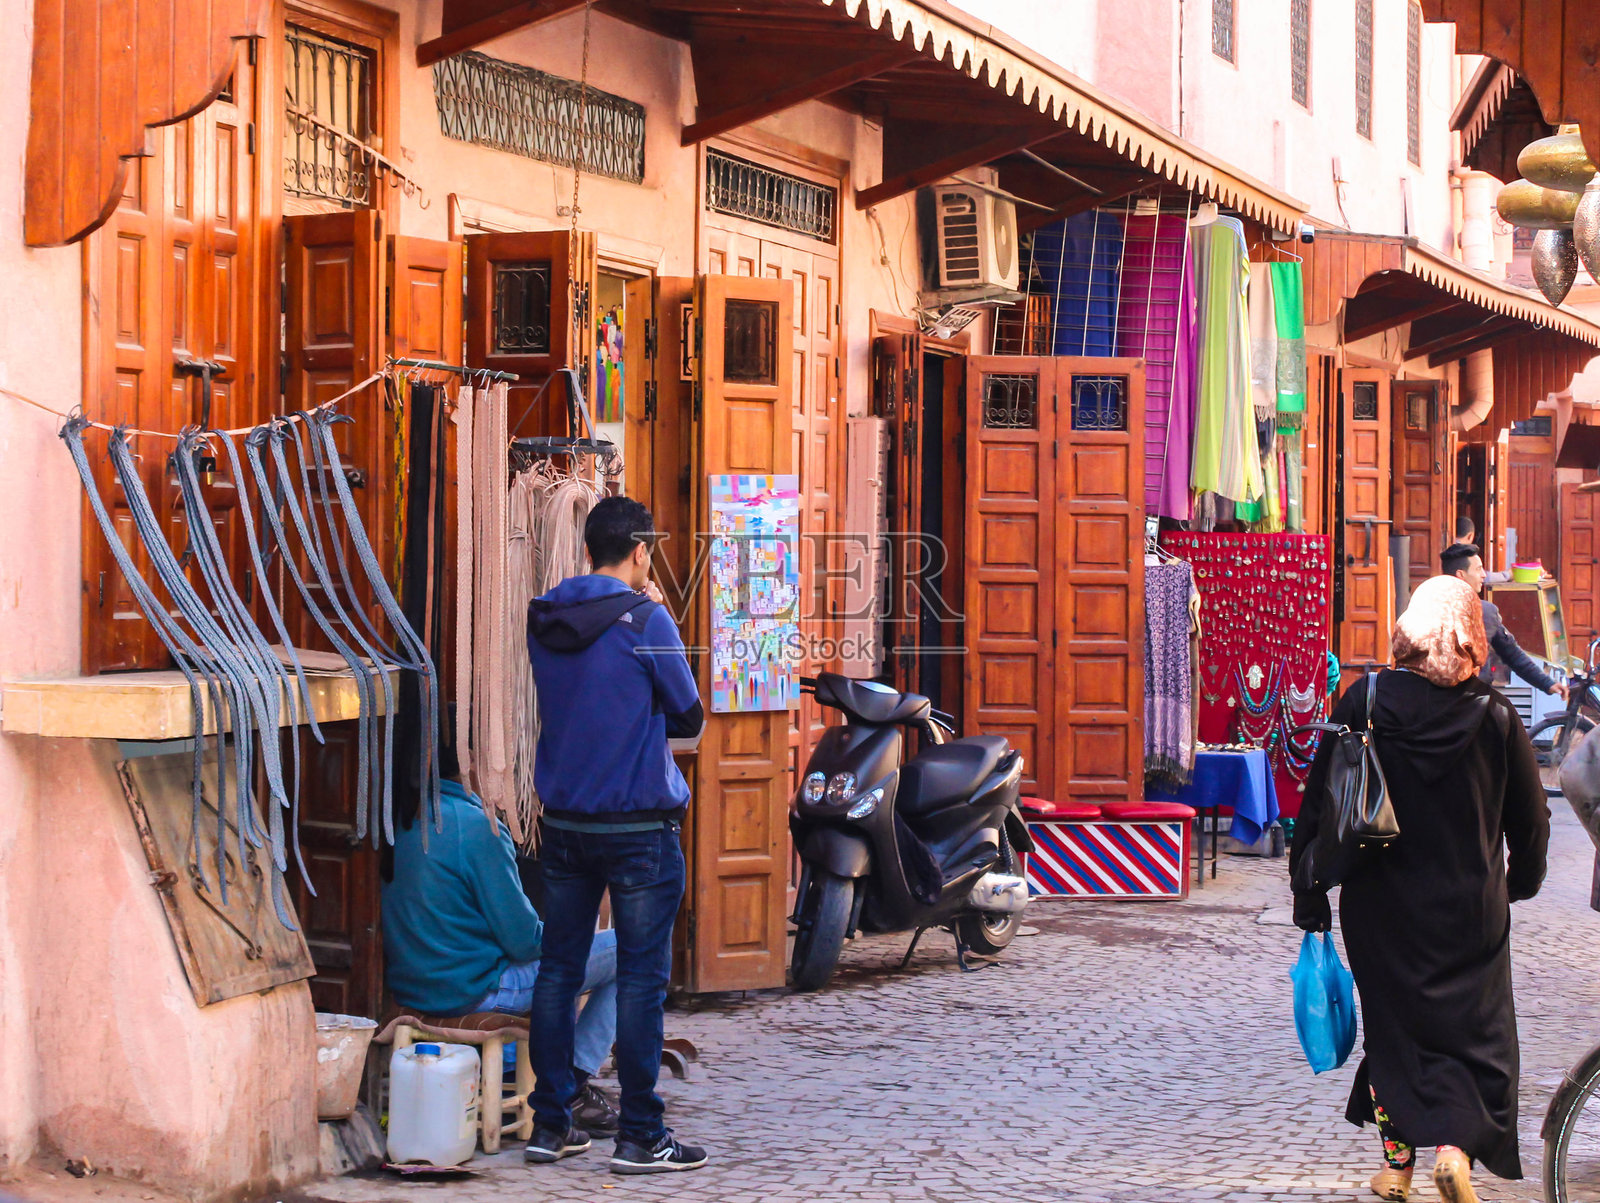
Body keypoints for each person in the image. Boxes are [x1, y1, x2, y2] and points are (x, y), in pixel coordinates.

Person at [1290, 575, 1550, 1203]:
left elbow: (1321, 802)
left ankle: (1398, 1168)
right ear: (1470, 636)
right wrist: (1522, 882)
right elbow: (1532, 821)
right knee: (1474, 1037)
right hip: (1471, 909)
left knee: (1394, 1035)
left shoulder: (1365, 700)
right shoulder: (1495, 715)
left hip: (1381, 910)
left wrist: (1309, 890)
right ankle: (1454, 1153)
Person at [525, 496, 707, 1175]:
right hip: (637, 827)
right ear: (639, 551)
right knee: (639, 979)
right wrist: (659, 619)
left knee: (558, 971)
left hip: (564, 823)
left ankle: (551, 1124)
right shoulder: (648, 619)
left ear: (586, 550)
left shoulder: (545, 617)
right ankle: (640, 1135)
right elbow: (689, 716)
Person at [380, 744, 621, 1138]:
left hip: (415, 986)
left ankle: (525, 1070)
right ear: (469, 762)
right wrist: (567, 928)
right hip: (477, 989)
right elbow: (524, 942)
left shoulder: (401, 816)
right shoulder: (475, 826)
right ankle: (572, 1082)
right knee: (631, 951)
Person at [1440, 542, 1568, 701]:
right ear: (1461, 575)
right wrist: (1547, 684)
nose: (1484, 575)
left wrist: (1547, 683)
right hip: (1470, 702)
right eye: (1478, 569)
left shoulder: (1424, 606)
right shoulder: (1484, 612)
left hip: (1432, 702)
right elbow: (1512, 654)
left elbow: (1512, 654)